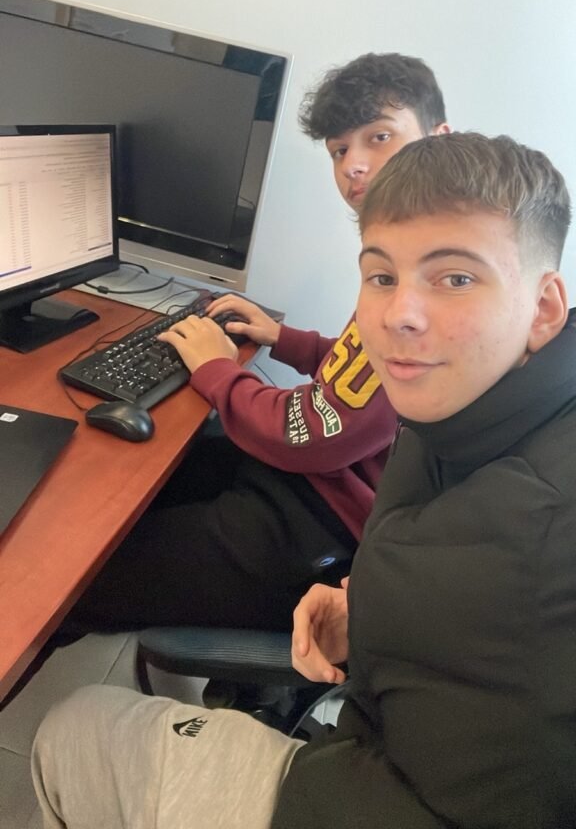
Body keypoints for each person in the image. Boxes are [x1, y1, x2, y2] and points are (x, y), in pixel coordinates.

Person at [33, 132, 576, 829]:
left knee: (72, 635)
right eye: (381, 276)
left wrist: (217, 371)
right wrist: (363, 607)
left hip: (348, 782)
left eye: (457, 279)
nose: (400, 314)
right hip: (359, 607)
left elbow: (319, 431)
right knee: (127, 497)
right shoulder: (468, 390)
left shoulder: (534, 547)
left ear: (543, 306)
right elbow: (351, 364)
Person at [58, 53, 449, 636]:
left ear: (438, 138)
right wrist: (285, 340)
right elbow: (365, 372)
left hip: (324, 523)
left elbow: (318, 434)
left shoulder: (433, 280)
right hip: (314, 479)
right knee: (114, 495)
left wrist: (218, 370)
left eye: (380, 137)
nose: (355, 165)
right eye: (340, 150)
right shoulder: (406, 245)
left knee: (74, 577)